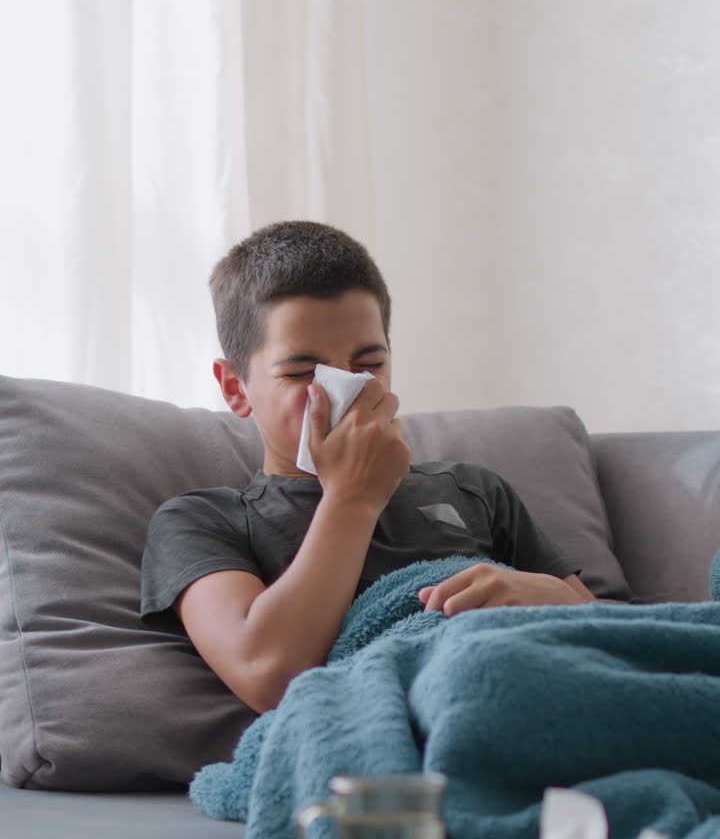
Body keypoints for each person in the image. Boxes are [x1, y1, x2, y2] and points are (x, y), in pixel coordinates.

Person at [141, 220, 595, 714]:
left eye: (370, 364)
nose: (346, 391)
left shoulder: (473, 490)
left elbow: (611, 638)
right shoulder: (203, 522)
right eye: (302, 372)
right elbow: (268, 674)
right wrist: (352, 496)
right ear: (235, 387)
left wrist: (549, 593)